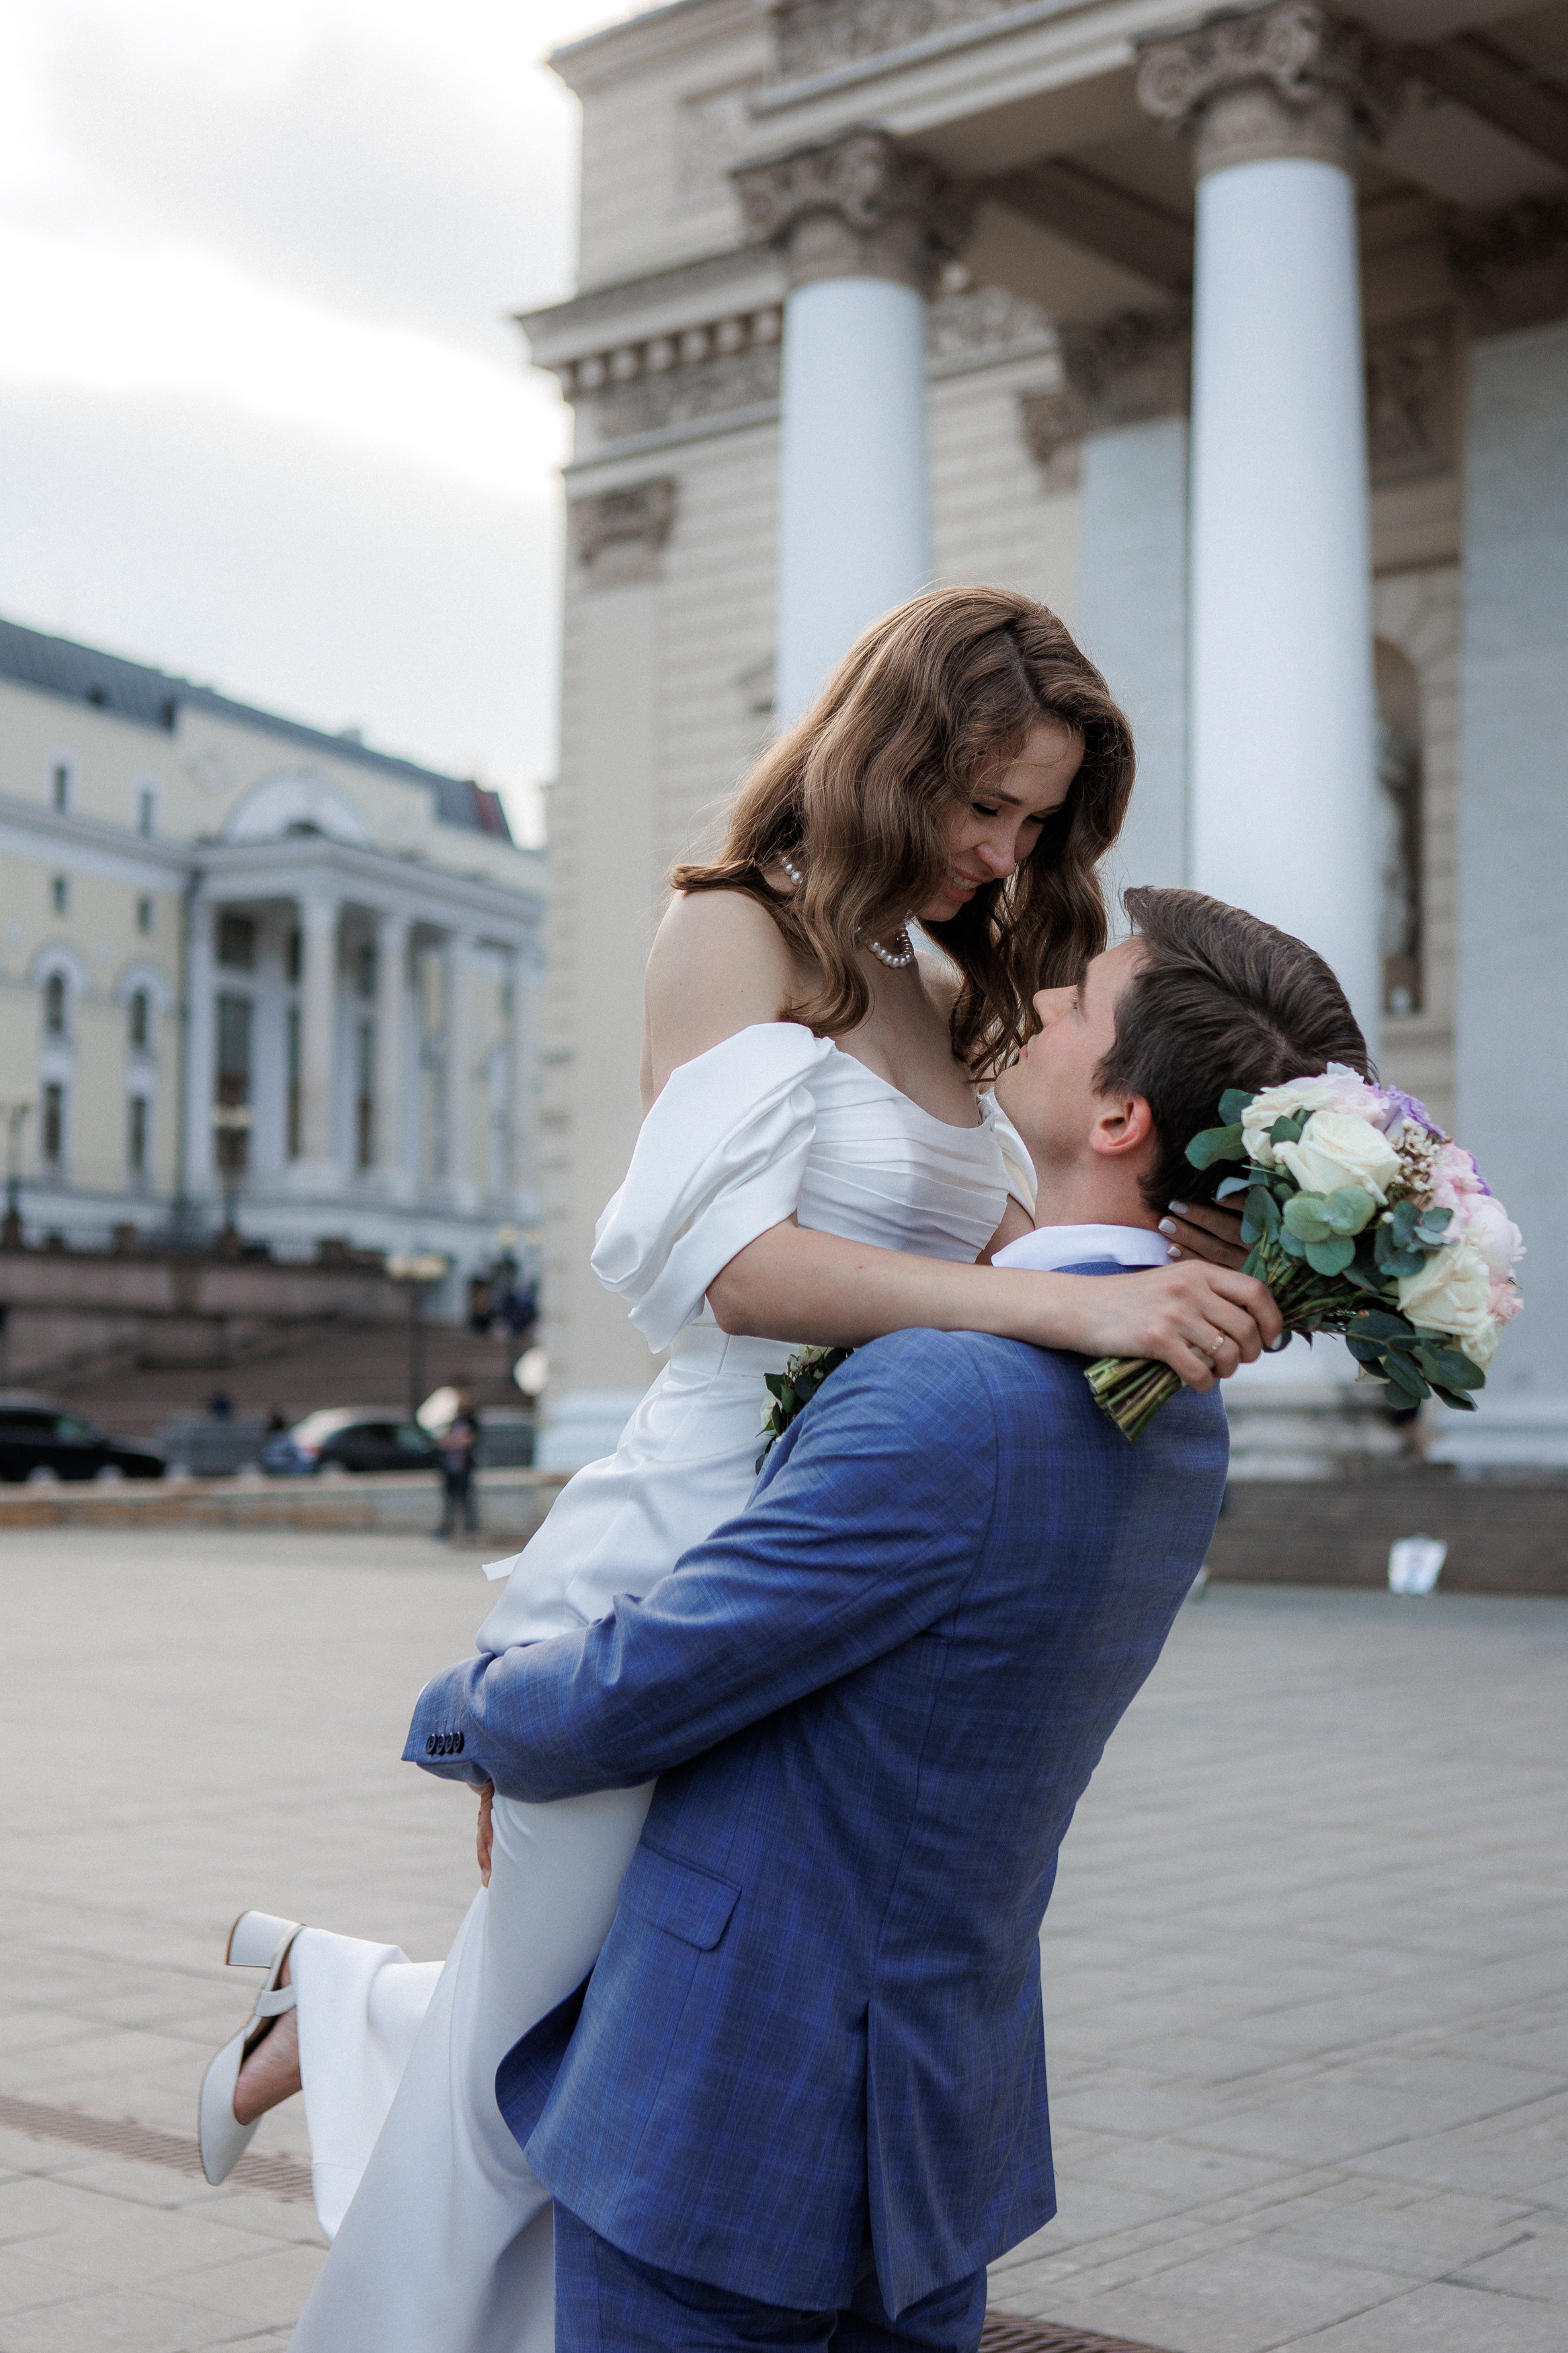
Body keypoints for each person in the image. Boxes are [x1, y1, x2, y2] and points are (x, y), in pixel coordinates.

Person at [197, 592, 1282, 2346]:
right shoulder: (731, 933)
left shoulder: (936, 986)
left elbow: (1041, 1260)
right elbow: (727, 1269)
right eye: (981, 802)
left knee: (619, 2022)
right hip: (680, 1536)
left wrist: (1221, 1263)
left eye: (1034, 823)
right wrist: (1022, 1316)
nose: (1000, 852)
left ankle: (330, 2014)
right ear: (896, 751)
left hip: (840, 1524)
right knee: (507, 2074)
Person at [399, 887, 1370, 2350]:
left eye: (1077, 1001)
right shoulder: (1177, 1417)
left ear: (1116, 1117)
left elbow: (644, 1686)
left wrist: (464, 1709)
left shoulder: (946, 1394)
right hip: (933, 2129)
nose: (1034, 1001)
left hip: (733, 2125)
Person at [436, 1388, 481, 1540]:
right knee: (449, 1501)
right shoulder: (453, 1421)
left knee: (466, 1500)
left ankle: (470, 1529)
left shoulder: (471, 1421)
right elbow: (443, 1441)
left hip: (463, 1467)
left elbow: (467, 1441)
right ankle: (447, 1528)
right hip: (450, 1467)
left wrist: (452, 1442)